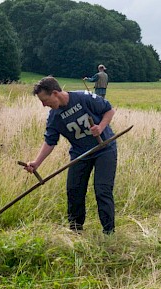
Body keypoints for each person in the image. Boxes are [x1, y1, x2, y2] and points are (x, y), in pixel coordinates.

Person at [25, 76, 117, 235]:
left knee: (102, 190)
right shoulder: (54, 116)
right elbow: (50, 141)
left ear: (55, 93)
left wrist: (101, 127)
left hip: (104, 149)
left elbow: (109, 110)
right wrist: (37, 162)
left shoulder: (83, 98)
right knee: (74, 190)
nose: (44, 105)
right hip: (80, 154)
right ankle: (76, 231)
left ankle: (109, 232)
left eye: (45, 100)